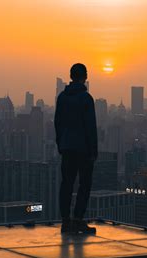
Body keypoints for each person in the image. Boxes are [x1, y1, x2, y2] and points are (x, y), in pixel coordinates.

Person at [54, 63, 98, 234]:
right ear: (84, 77)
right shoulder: (86, 99)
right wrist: (93, 151)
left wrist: (60, 144)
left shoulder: (62, 98)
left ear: (71, 76)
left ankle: (66, 221)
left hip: (66, 147)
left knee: (66, 184)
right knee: (84, 184)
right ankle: (78, 219)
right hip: (83, 149)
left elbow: (57, 123)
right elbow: (90, 127)